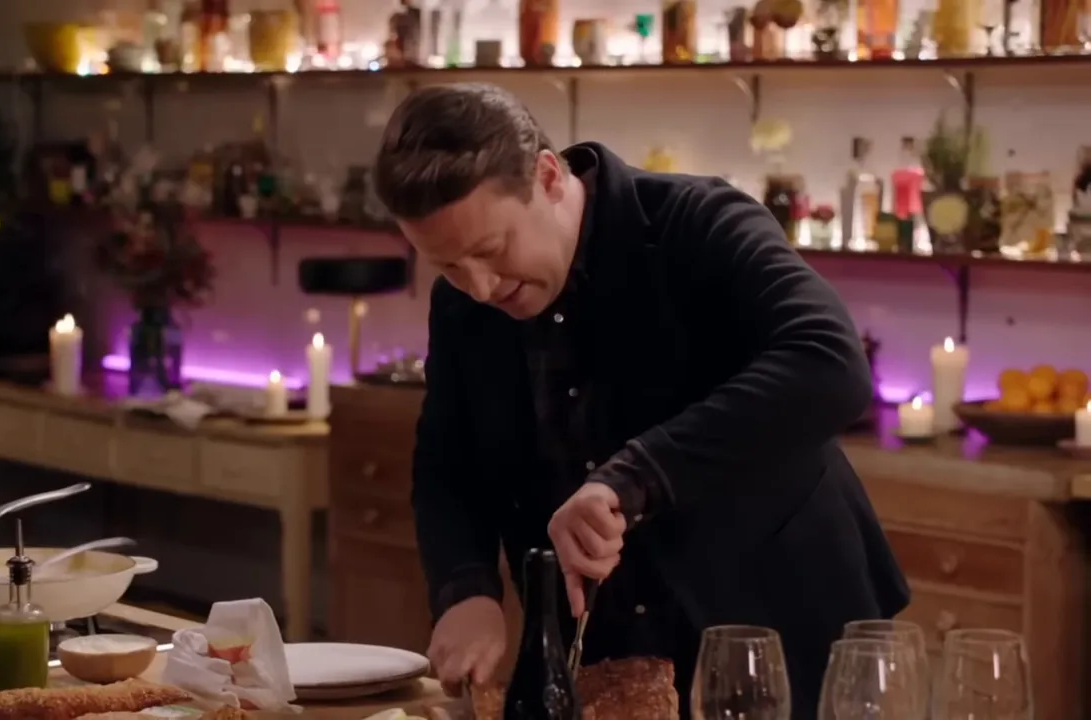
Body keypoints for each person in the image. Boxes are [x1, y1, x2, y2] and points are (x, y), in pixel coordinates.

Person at [371, 83, 909, 719]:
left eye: (491, 250)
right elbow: (448, 462)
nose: (481, 287)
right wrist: (464, 588)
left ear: (548, 176)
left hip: (782, 637)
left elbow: (830, 363)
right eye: (449, 267)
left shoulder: (697, 220)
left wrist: (634, 477)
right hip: (609, 661)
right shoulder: (462, 304)